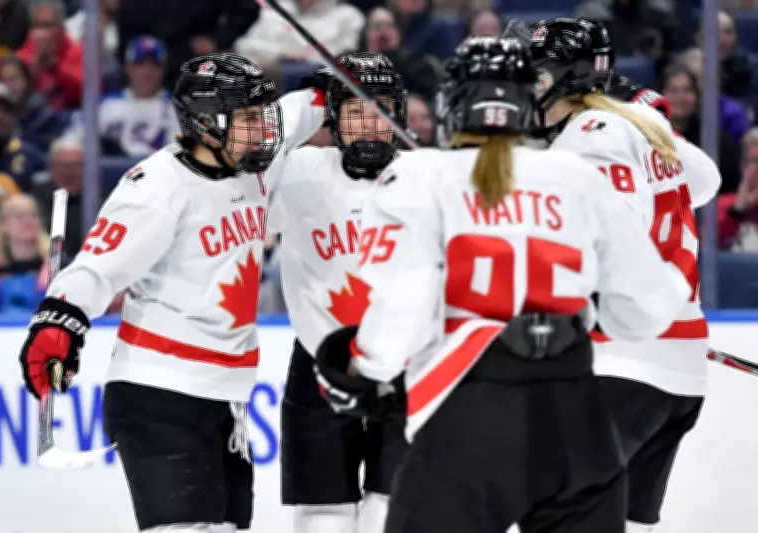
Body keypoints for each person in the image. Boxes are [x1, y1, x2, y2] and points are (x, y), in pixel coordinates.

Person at [313, 36, 691, 533]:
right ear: (524, 99)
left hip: (468, 411)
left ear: (455, 103)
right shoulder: (576, 175)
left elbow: (405, 302)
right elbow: (647, 308)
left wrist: (365, 369)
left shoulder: (418, 176)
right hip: (575, 413)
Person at [16, 53, 325, 533]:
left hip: (224, 398)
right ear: (206, 123)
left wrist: (333, 89)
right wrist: (59, 319)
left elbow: (296, 111)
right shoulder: (157, 186)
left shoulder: (245, 151)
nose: (263, 129)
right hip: (160, 393)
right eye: (247, 119)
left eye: (261, 117)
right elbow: (98, 266)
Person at [527, 17, 721, 533]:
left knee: (554, 511)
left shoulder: (587, 141)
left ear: (569, 78)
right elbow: (704, 181)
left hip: (624, 364)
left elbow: (612, 243)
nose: (531, 88)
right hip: (677, 368)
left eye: (540, 76)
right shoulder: (640, 125)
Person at [269, 52, 408, 533]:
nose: (370, 123)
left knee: (392, 509)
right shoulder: (299, 171)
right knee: (323, 516)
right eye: (355, 109)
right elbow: (253, 145)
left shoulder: (429, 179)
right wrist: (307, 101)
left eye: (381, 108)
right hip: (319, 363)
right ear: (332, 117)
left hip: (408, 367)